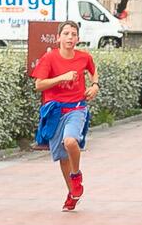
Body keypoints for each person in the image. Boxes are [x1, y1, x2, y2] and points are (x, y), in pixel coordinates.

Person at [31, 19, 97, 211]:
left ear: (78, 38)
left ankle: (76, 175)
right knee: (62, 156)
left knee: (70, 142)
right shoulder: (49, 58)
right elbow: (39, 84)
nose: (70, 37)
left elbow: (94, 72)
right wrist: (62, 77)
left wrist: (95, 86)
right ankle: (72, 193)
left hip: (76, 108)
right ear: (58, 37)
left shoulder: (84, 57)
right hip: (54, 111)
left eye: (73, 34)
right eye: (66, 34)